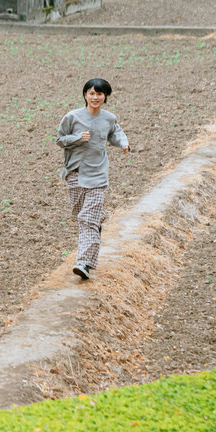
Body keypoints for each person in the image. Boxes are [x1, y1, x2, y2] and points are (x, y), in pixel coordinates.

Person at [56, 78, 129, 280]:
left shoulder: (109, 118)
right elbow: (60, 140)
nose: (95, 97)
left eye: (99, 94)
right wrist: (78, 138)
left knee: (86, 219)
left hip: (97, 174)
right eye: (91, 93)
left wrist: (124, 144)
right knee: (80, 214)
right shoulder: (72, 117)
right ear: (85, 95)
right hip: (75, 172)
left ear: (105, 97)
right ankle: (97, 219)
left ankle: (84, 263)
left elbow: (116, 133)